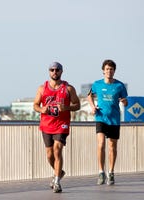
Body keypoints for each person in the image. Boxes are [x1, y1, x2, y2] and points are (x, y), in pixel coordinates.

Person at [33, 62, 80, 193]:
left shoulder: (68, 88)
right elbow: (35, 105)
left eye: (57, 70)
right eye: (52, 70)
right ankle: (58, 172)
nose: (55, 72)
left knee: (57, 149)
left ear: (61, 72)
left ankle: (57, 181)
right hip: (46, 125)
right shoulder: (42, 88)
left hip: (62, 124)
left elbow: (77, 105)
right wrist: (42, 109)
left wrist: (67, 107)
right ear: (49, 72)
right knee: (49, 155)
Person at [87, 59, 128, 186]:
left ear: (114, 71)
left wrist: (124, 102)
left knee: (112, 147)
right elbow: (89, 96)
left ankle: (111, 172)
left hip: (114, 119)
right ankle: (101, 172)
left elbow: (125, 101)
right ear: (103, 71)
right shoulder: (97, 84)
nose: (109, 71)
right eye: (107, 69)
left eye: (111, 69)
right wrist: (93, 107)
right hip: (101, 118)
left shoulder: (120, 86)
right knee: (100, 144)